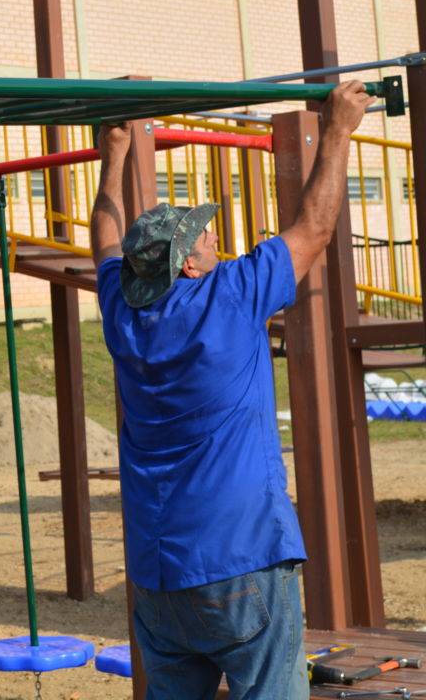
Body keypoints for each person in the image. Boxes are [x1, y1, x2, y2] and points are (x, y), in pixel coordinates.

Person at [90, 81, 373, 700]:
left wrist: (112, 159)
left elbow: (106, 248)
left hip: (158, 577)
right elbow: (315, 230)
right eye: (204, 238)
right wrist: (338, 132)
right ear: (188, 265)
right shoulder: (230, 295)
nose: (216, 241)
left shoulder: (123, 315)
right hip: (239, 558)